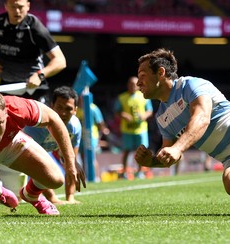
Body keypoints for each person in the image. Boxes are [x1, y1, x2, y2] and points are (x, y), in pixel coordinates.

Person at [134, 48, 230, 196]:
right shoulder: (161, 116)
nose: (138, 83)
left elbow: (202, 118)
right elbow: (169, 154)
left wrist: (177, 148)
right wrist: (151, 161)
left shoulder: (191, 85)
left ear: (160, 73)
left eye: (142, 76)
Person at [0, 0, 66, 103]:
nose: (17, 11)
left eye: (20, 7)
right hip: (6, 86)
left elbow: (60, 61)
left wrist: (40, 75)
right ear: (6, 6)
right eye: (12, 7)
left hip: (32, 88)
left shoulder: (35, 28)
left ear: (28, 6)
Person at [23, 86, 85, 204]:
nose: (63, 113)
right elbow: (36, 165)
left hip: (44, 150)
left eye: (68, 109)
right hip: (15, 152)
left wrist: (70, 197)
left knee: (73, 163)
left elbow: (71, 162)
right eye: (59, 107)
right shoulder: (37, 126)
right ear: (51, 106)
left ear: (75, 110)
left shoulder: (75, 127)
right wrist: (52, 198)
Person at [114, 76, 153, 179]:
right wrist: (123, 115)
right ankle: (124, 172)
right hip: (127, 130)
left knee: (142, 151)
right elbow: (116, 112)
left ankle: (140, 172)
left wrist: (144, 115)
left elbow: (150, 110)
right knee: (126, 151)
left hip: (141, 130)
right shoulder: (122, 97)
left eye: (134, 84)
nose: (132, 86)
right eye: (130, 84)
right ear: (127, 85)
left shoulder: (144, 96)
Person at [76, 99, 111, 182]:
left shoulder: (93, 108)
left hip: (91, 136)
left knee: (91, 157)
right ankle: (85, 177)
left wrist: (103, 130)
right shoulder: (76, 109)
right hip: (80, 137)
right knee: (82, 157)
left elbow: (100, 122)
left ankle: (96, 177)